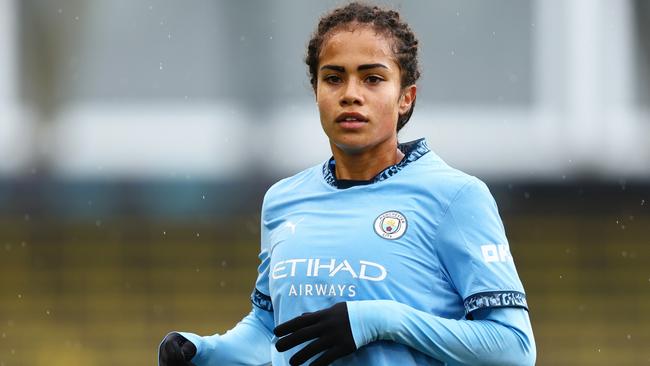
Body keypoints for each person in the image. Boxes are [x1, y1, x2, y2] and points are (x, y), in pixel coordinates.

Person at [159, 2, 536, 365]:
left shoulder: (456, 197)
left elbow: (514, 349)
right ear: (317, 92)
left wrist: (381, 319)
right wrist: (203, 352)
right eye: (334, 78)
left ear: (405, 97)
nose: (351, 94)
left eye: (372, 78)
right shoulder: (283, 200)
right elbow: (272, 331)